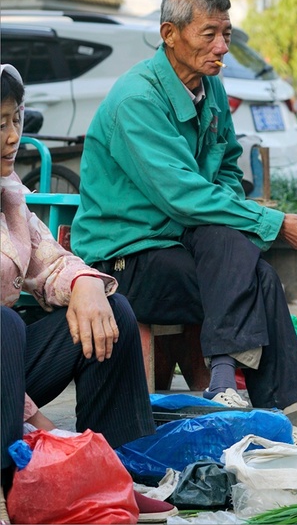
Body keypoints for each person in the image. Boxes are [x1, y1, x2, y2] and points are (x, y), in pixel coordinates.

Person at [70, 0, 297, 412]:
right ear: (170, 34)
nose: (222, 47)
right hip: (126, 258)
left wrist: (235, 206)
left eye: (227, 34)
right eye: (209, 33)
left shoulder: (210, 87)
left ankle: (243, 391)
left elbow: (228, 166)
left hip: (185, 240)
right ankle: (272, 397)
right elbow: (184, 196)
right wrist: (276, 222)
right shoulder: (138, 99)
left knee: (236, 253)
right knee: (253, 273)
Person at [1, 64, 176, 521]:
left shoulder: (9, 195)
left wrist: (84, 283)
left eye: (16, 119)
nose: (11, 137)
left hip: (6, 375)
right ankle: (14, 478)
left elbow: (51, 259)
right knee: (4, 324)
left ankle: (109, 470)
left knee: (109, 308)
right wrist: (42, 426)